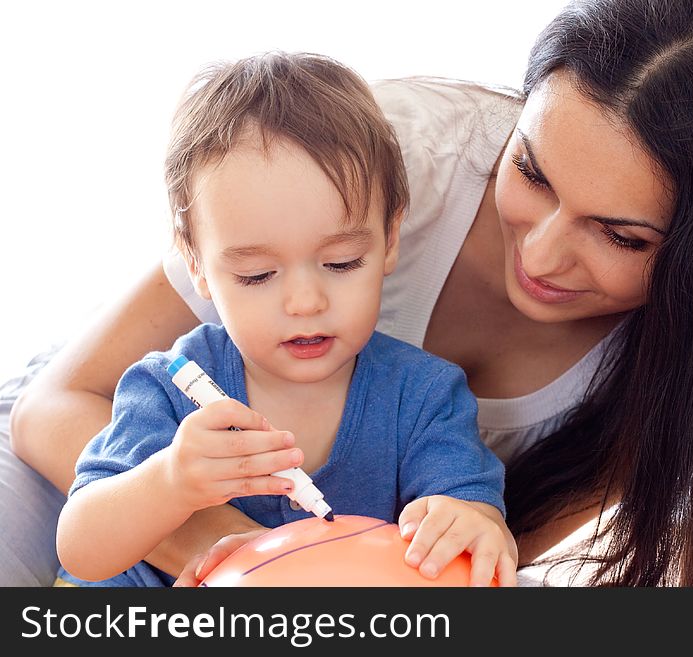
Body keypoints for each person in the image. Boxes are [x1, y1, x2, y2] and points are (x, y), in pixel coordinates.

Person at [7, 0, 693, 587]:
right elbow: (59, 422)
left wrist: (437, 544)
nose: (540, 251)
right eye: (530, 170)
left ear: (386, 237)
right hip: (66, 430)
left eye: (621, 236)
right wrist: (247, 557)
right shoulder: (362, 155)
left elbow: (464, 561)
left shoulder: (433, 397)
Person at [50, 52, 514, 587]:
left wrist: (472, 523)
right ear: (196, 264)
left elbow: (471, 523)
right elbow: (82, 549)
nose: (305, 303)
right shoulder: (167, 385)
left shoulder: (426, 396)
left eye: (341, 263)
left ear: (390, 238)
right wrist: (171, 480)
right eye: (256, 275)